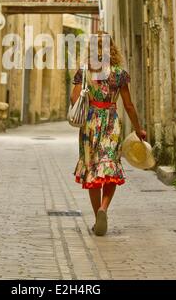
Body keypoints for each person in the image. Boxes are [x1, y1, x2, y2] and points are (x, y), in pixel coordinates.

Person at [70, 31, 146, 236]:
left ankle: (97, 218)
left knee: (92, 169)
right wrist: (138, 129)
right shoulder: (119, 74)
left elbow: (74, 99)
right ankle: (104, 208)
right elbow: (129, 106)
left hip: (90, 124)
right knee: (110, 167)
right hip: (111, 122)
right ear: (111, 48)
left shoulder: (84, 71)